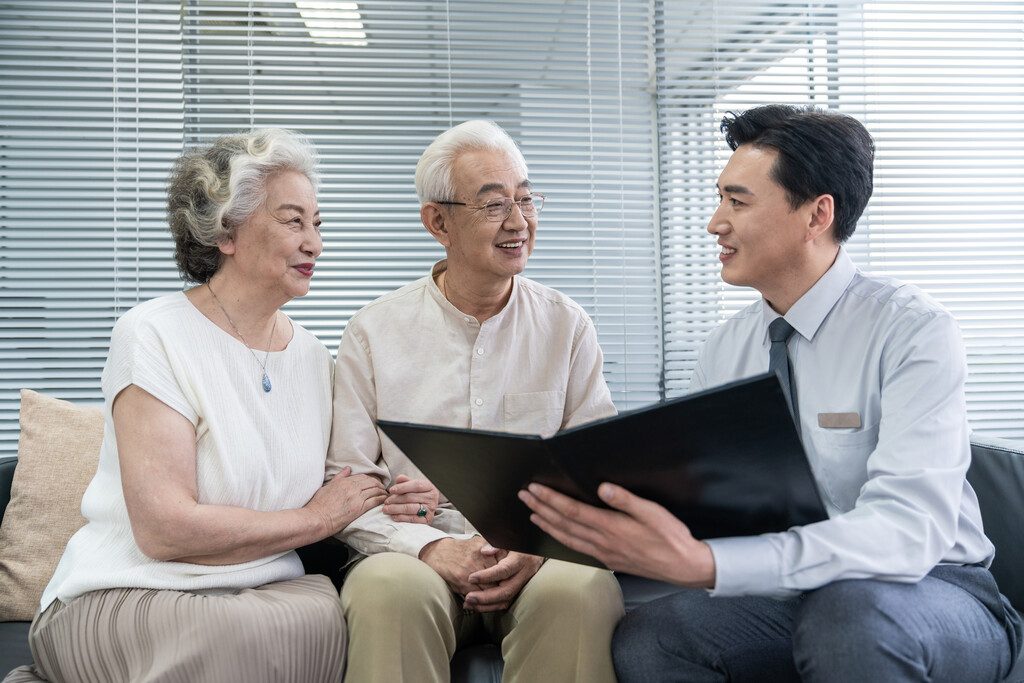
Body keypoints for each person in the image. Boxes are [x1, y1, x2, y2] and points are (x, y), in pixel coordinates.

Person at [520, 104, 1023, 682]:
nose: (714, 222)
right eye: (719, 200)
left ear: (817, 215)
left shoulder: (912, 331)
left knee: (850, 614)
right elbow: (698, 495)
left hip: (931, 589)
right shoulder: (725, 349)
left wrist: (712, 564)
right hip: (787, 596)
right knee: (655, 636)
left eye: (738, 201)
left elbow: (906, 533)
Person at [2, 128, 406, 683]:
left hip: (267, 592)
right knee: (240, 638)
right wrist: (314, 519)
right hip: (129, 589)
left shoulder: (314, 358)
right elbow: (165, 531)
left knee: (326, 620)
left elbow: (337, 485)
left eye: (318, 223)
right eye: (293, 220)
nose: (315, 242)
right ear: (225, 230)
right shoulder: (154, 332)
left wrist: (395, 492)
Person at [327, 119, 624, 683]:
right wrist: (429, 548)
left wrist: (537, 548)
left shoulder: (568, 327)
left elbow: (597, 472)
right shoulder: (373, 332)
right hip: (417, 552)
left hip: (537, 556)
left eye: (526, 198)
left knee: (581, 586)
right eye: (493, 205)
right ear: (438, 221)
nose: (519, 221)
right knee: (386, 588)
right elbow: (347, 483)